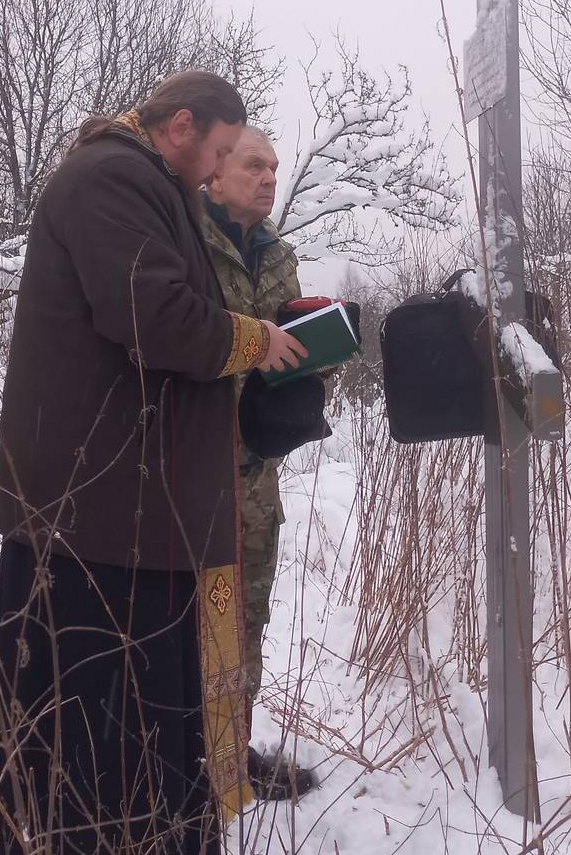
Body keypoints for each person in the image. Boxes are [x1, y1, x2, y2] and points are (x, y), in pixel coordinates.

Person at [0, 70, 307, 855]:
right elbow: (157, 316)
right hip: (96, 518)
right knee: (90, 722)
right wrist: (254, 339)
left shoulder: (142, 181)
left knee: (110, 727)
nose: (219, 171)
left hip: (119, 514)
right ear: (180, 126)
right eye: (218, 152)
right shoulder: (111, 178)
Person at [202, 126, 320, 800]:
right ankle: (178, 758)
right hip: (189, 464)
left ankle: (229, 756)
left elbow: (285, 343)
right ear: (216, 173)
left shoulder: (277, 251)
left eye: (275, 167)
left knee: (248, 616)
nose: (270, 177)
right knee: (186, 615)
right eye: (255, 165)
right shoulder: (185, 235)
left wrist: (315, 349)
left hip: (255, 467)